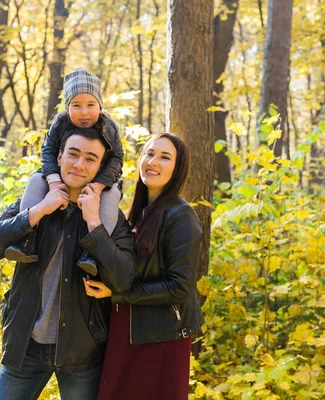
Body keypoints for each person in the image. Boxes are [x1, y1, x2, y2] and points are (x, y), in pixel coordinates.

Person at [0, 127, 136, 400]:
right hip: (25, 344)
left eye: (90, 159)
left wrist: (94, 224)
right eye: (73, 155)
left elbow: (124, 278)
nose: (79, 164)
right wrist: (38, 211)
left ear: (100, 168)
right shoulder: (33, 202)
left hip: (82, 351)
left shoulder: (109, 218)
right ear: (59, 157)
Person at [83, 133, 204, 400]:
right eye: (150, 153)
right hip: (128, 328)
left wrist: (117, 295)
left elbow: (180, 288)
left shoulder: (181, 215)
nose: (153, 162)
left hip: (161, 336)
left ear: (177, 167)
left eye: (165, 157)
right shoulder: (139, 212)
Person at [5, 67, 124, 277]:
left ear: (100, 106)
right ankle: (26, 239)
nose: (84, 112)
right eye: (76, 105)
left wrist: (99, 185)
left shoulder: (109, 127)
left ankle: (92, 252)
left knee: (112, 195)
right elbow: (48, 151)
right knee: (35, 180)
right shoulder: (60, 124)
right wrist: (52, 180)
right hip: (59, 175)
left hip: (101, 179)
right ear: (67, 107)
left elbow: (117, 159)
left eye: (90, 105)